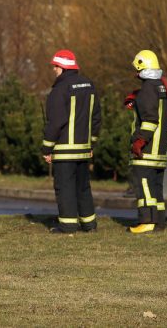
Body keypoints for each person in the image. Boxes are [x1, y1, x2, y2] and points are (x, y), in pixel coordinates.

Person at [42, 49, 102, 234]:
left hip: (64, 150)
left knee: (65, 187)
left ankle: (68, 226)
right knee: (83, 186)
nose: (54, 70)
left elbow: (56, 122)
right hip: (83, 149)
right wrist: (91, 143)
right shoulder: (89, 85)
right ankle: (89, 224)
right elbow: (96, 117)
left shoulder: (59, 90)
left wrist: (46, 147)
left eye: (55, 67)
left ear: (62, 67)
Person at [127, 50, 167, 234]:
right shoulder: (160, 86)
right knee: (156, 188)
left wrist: (139, 141)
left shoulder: (147, 89)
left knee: (143, 185)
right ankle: (159, 222)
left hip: (147, 150)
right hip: (160, 149)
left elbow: (150, 119)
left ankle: (147, 221)